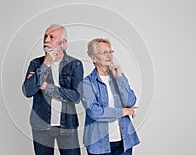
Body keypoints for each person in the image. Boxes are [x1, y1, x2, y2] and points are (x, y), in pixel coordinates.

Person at [22, 24, 83, 155]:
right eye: (45, 36)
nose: (46, 40)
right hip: (41, 126)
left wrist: (45, 87)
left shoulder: (75, 64)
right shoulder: (35, 64)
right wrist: (46, 65)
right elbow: (28, 91)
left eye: (52, 37)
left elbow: (76, 96)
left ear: (63, 42)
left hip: (67, 126)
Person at [81, 38, 140, 155]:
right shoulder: (86, 83)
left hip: (124, 141)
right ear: (93, 58)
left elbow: (131, 101)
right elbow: (95, 112)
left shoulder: (118, 77)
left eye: (110, 52)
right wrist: (123, 112)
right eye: (104, 52)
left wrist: (119, 78)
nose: (109, 56)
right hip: (98, 144)